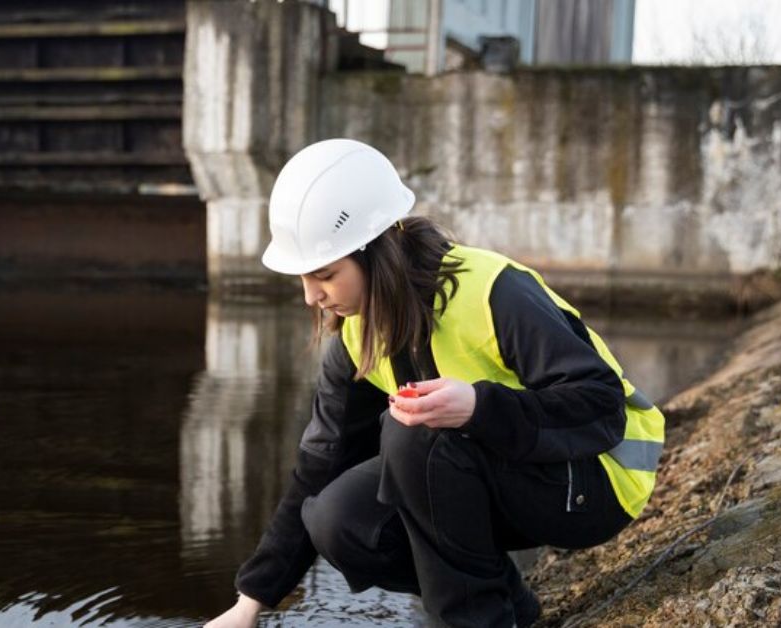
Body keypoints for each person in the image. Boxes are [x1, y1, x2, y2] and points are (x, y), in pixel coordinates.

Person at [204, 139, 664, 628]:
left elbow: (600, 405)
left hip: (597, 479)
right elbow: (317, 468)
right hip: (515, 473)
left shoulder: (492, 291)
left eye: (324, 275)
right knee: (336, 519)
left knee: (413, 432)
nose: (311, 297)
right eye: (303, 279)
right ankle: (508, 605)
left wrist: (478, 408)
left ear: (374, 250)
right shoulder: (358, 336)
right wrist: (250, 602)